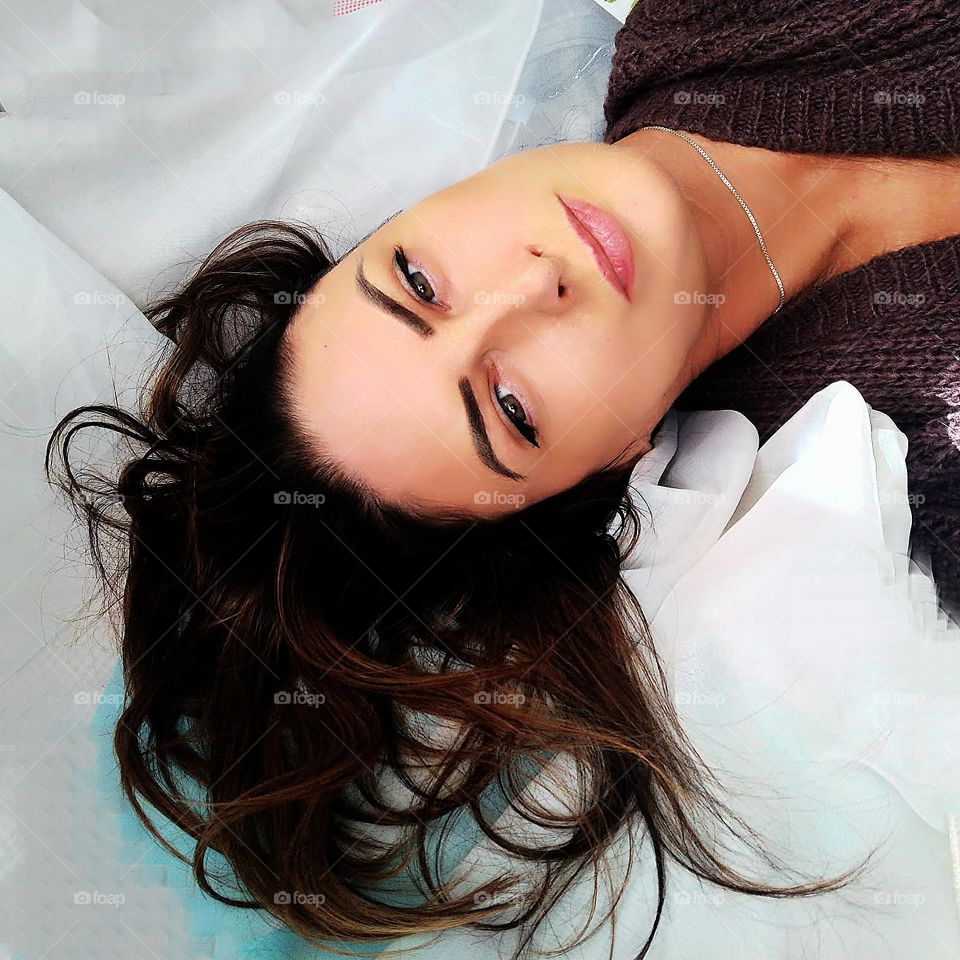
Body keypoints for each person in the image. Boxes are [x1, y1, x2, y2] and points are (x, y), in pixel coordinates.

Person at [44, 1, 958, 957]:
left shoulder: (706, 26)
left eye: (418, 281)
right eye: (513, 410)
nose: (533, 286)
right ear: (605, 473)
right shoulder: (921, 462)